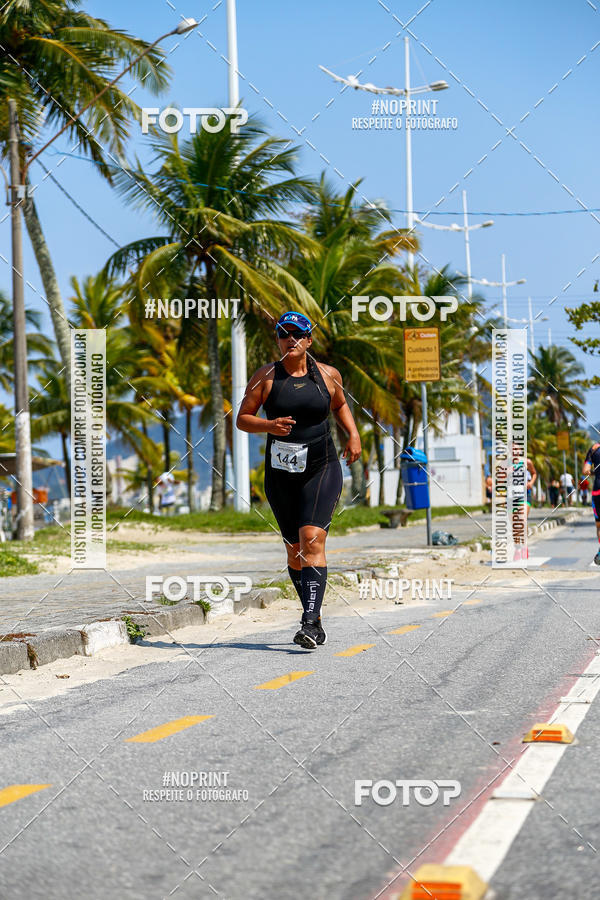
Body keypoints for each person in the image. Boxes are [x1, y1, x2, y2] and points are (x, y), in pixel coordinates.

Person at [236, 311, 361, 649]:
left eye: (297, 334)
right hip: (281, 475)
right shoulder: (266, 377)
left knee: (312, 541)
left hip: (321, 467)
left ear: (308, 340)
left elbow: (340, 405)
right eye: (283, 334)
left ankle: (308, 622)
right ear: (278, 339)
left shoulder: (327, 375)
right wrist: (268, 426)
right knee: (294, 552)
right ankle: (315, 615)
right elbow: (242, 419)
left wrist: (353, 435)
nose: (289, 340)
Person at [582, 443, 600, 565]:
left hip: (598, 490)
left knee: (599, 525)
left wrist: (596, 473)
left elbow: (585, 471)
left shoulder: (594, 449)